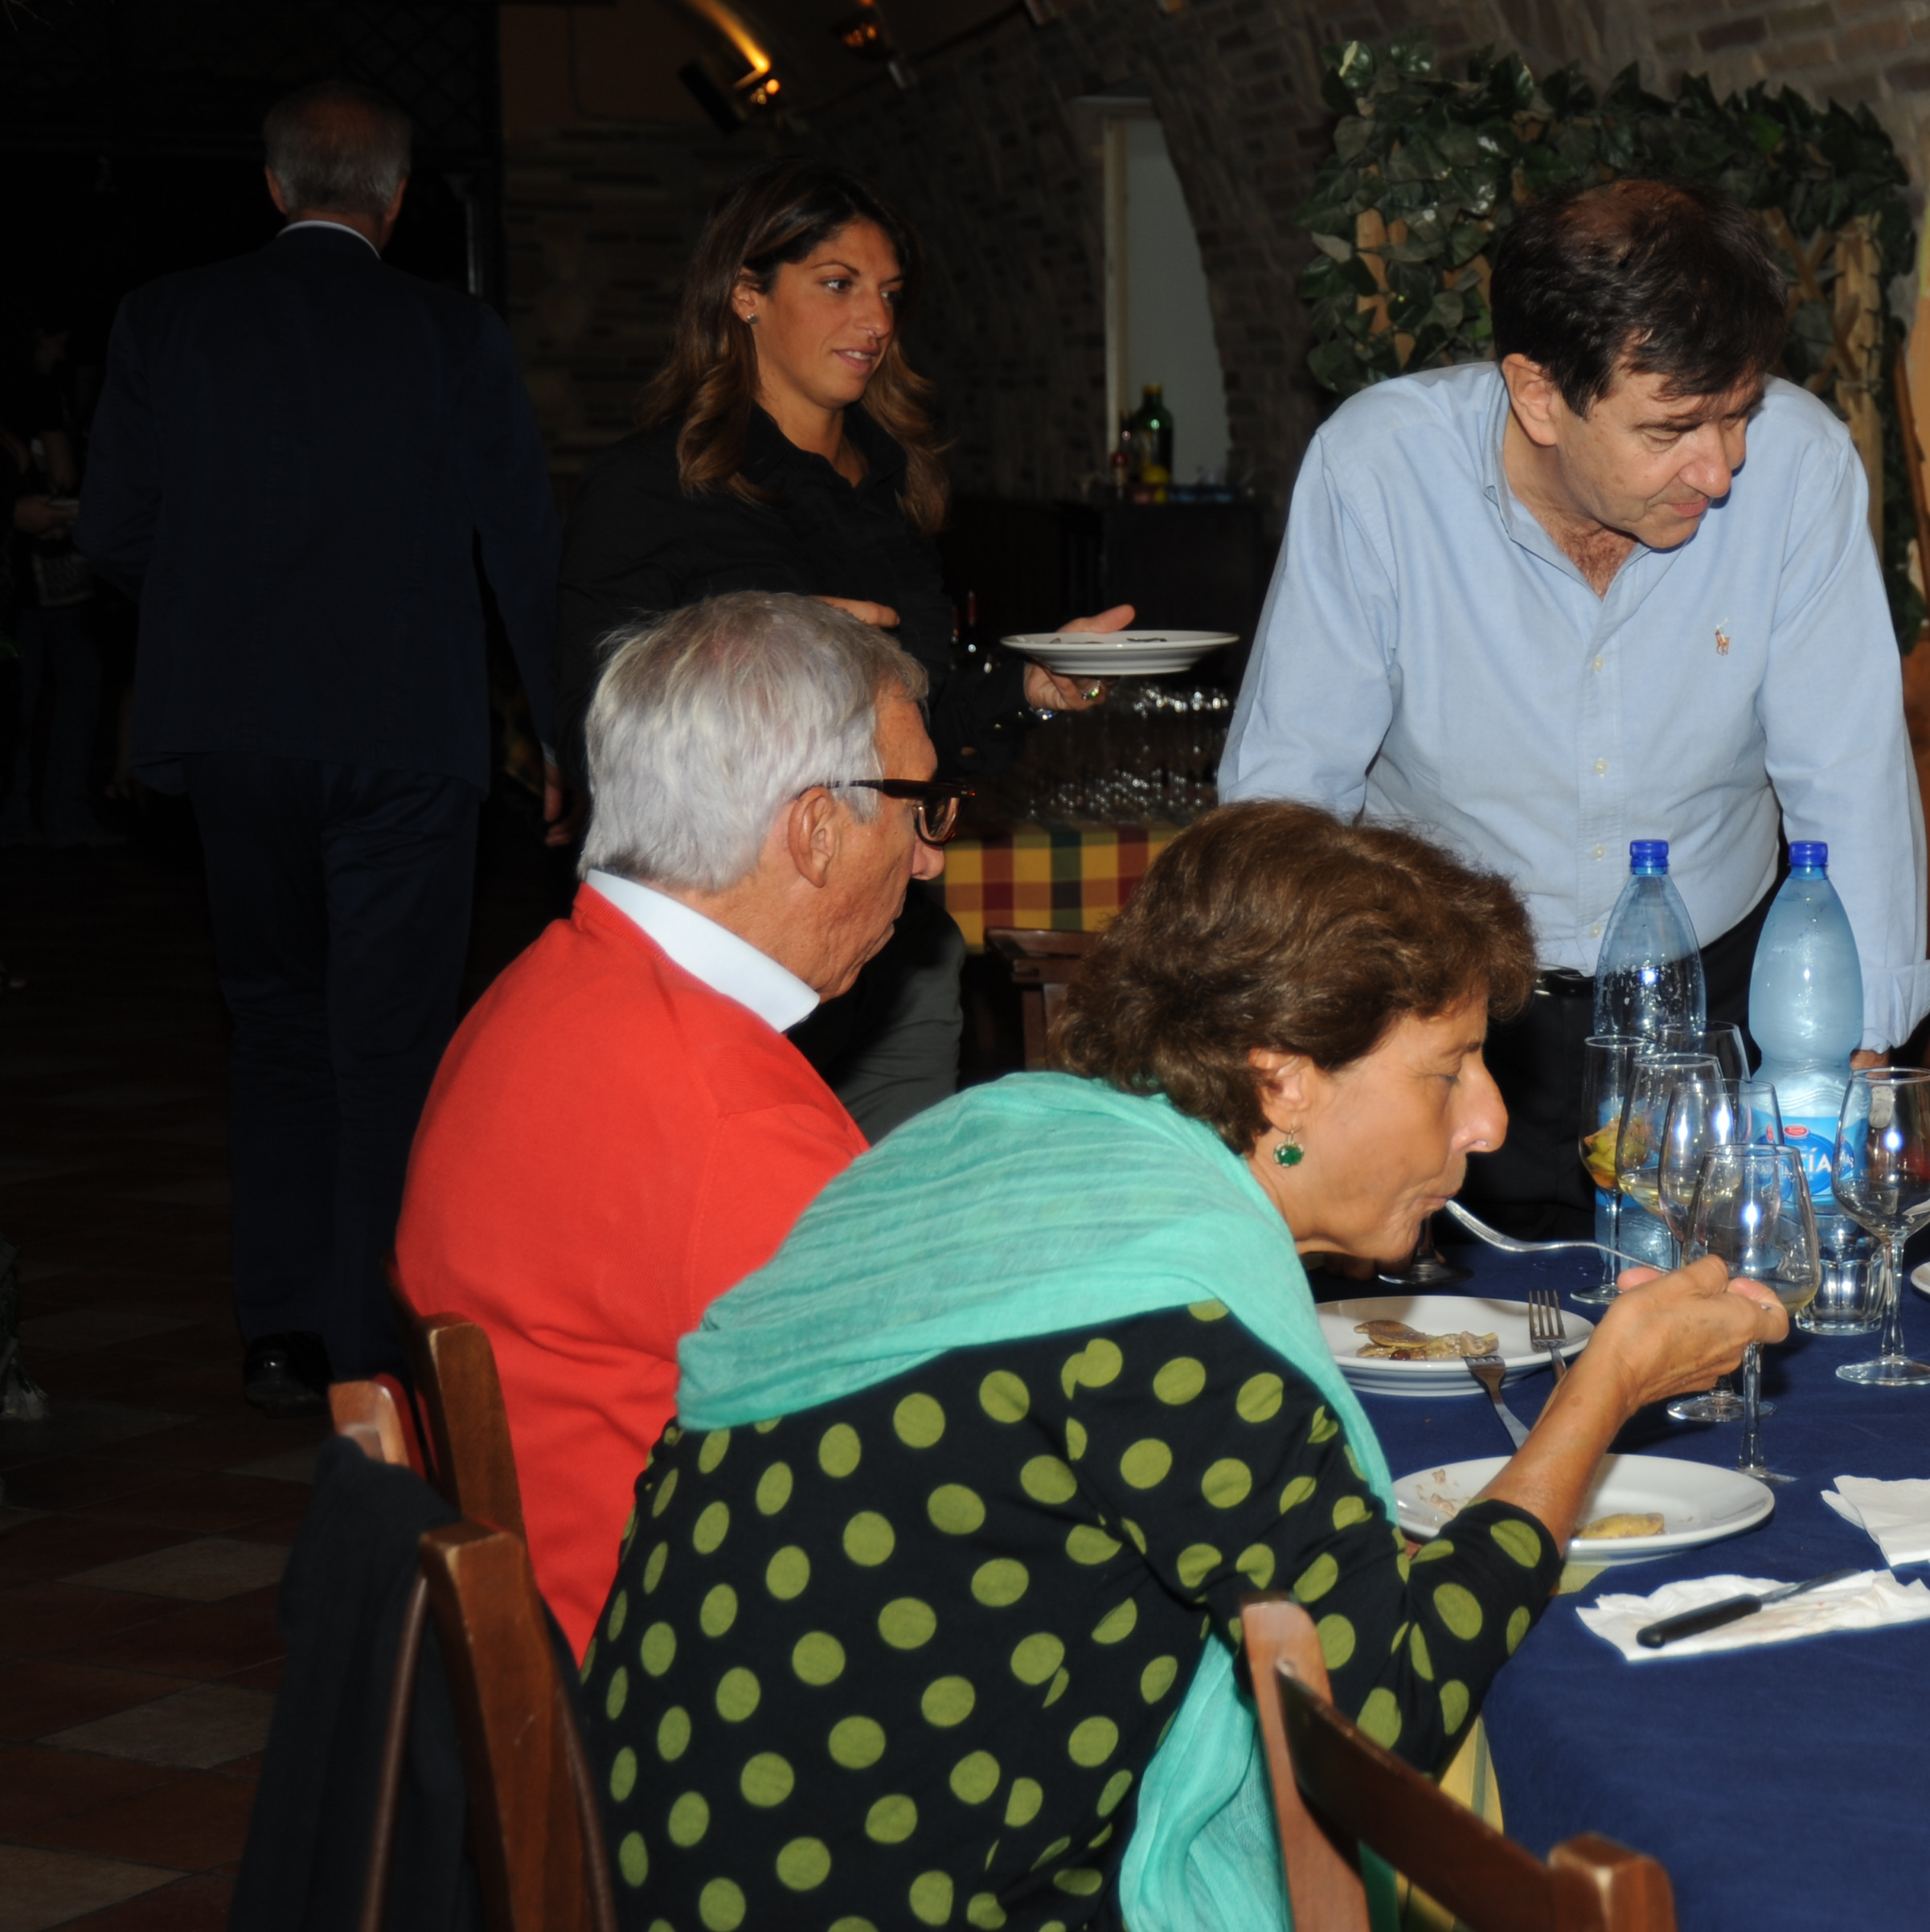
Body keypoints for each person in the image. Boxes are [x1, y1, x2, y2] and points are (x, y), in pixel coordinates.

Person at [582, 800, 1783, 1931]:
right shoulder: (1172, 1323)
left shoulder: (1009, 1144)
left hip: (679, 1838)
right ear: (1283, 1077)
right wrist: (1602, 1390)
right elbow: (1381, 1716)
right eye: (1448, 1069)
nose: (1487, 1122)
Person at [1223, 180, 1930, 1237]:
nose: (1721, 468)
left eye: (1738, 413)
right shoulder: (1379, 471)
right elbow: (1288, 795)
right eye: (1672, 428)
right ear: (1538, 394)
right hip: (1445, 1017)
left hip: (1714, 1009)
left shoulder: (1801, 466)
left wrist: (1852, 1058)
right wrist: (1292, 1055)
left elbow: (1850, 778)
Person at [77, 81, 560, 1414]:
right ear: (396, 200)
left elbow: (110, 530)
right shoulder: (452, 333)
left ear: (276, 186)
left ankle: (279, 1329)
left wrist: (212, 607)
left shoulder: (166, 319)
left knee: (275, 1023)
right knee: (388, 1046)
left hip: (233, 731)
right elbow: (524, 552)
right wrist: (566, 738)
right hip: (407, 733)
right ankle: (366, 1339)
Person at [397, 594, 947, 1646]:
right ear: (816, 831)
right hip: (668, 1669)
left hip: (555, 1613)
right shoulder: (733, 1114)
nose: (928, 859)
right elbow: (912, 1473)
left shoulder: (540, 987)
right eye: (918, 808)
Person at [555, 161, 1127, 1140]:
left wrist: (1027, 685)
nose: (874, 320)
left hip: (894, 951)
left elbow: (920, 730)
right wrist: (766, 649)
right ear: (746, 293)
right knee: (746, 1222)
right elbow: (595, 731)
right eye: (837, 284)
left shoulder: (890, 485)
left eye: (889, 294)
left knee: (889, 1223)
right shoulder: (651, 488)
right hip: (724, 957)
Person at [3, 307, 108, 848]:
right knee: (70, 689)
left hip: (21, 574)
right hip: (41, 573)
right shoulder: (39, 390)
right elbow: (63, 475)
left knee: (23, 697)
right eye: (57, 340)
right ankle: (60, 816)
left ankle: (20, 820)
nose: (62, 351)